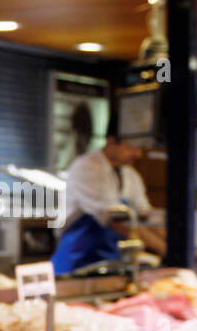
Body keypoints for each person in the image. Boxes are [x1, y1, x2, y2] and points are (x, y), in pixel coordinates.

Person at [51, 115, 163, 274]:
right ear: (112, 141)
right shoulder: (87, 167)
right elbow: (117, 220)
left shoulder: (131, 175)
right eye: (131, 147)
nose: (138, 154)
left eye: (140, 148)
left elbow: (146, 216)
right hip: (76, 260)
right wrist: (163, 249)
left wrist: (174, 245)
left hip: (110, 259)